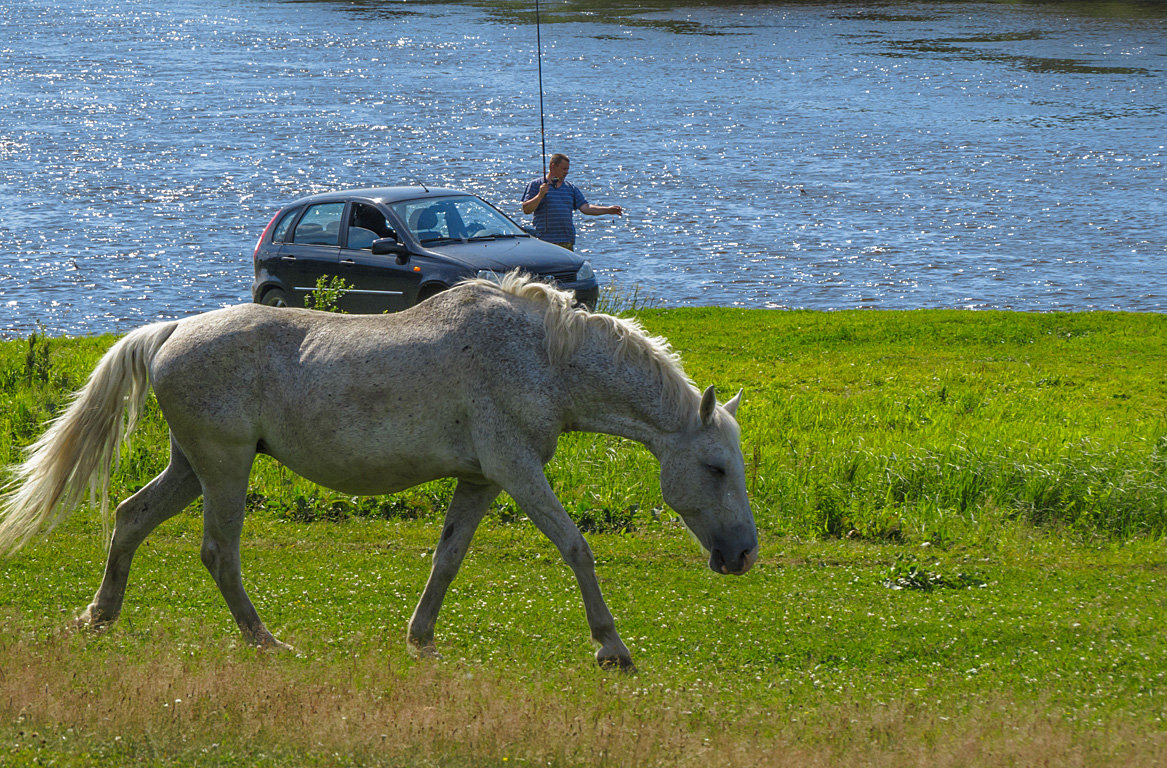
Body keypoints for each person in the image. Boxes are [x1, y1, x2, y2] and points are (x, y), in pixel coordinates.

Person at [521, 153, 623, 250]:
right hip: (545, 241)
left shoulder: (570, 188)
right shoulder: (536, 185)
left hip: (566, 240)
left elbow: (586, 208)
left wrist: (608, 210)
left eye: (568, 169)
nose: (566, 172)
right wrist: (540, 195)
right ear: (553, 166)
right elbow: (526, 209)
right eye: (564, 169)